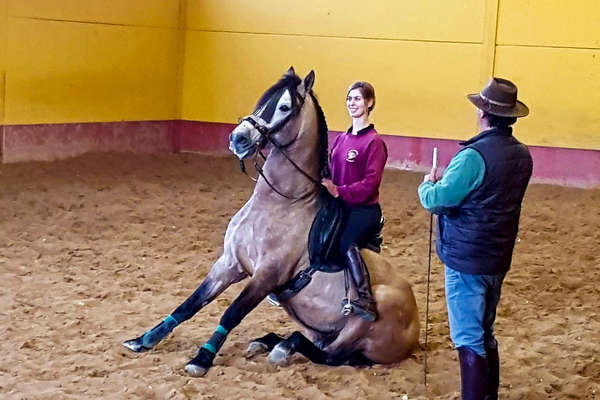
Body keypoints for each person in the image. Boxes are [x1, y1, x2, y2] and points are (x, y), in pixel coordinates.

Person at [418, 77, 533, 400]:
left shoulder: (472, 156)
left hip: (466, 257)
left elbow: (438, 200)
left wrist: (427, 184)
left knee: (468, 336)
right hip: (498, 256)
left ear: (483, 114)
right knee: (485, 331)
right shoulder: (522, 155)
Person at [321, 81, 387, 322]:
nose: (352, 103)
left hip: (363, 209)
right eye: (349, 99)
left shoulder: (374, 142)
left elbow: (371, 183)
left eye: (357, 99)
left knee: (345, 242)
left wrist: (339, 191)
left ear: (369, 103)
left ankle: (365, 298)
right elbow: (329, 170)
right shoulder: (341, 139)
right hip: (340, 206)